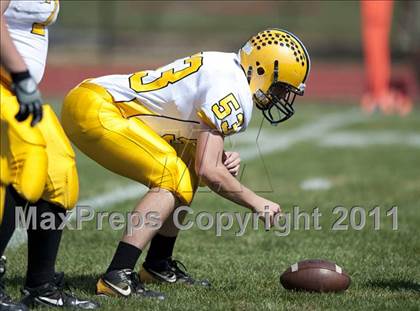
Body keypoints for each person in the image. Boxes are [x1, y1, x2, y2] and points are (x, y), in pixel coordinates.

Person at [62, 28, 310, 298]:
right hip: (97, 108)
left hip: (97, 103)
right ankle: (117, 276)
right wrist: (256, 201)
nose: (280, 97)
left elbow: (202, 159)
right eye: (281, 87)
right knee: (171, 174)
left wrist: (218, 159)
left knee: (185, 171)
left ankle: (157, 264)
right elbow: (210, 171)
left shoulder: (228, 67)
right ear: (263, 71)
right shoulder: (233, 88)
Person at [0, 1, 98, 309]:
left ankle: (41, 285)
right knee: (25, 163)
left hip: (19, 90)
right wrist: (20, 75)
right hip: (8, 85)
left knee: (60, 175)